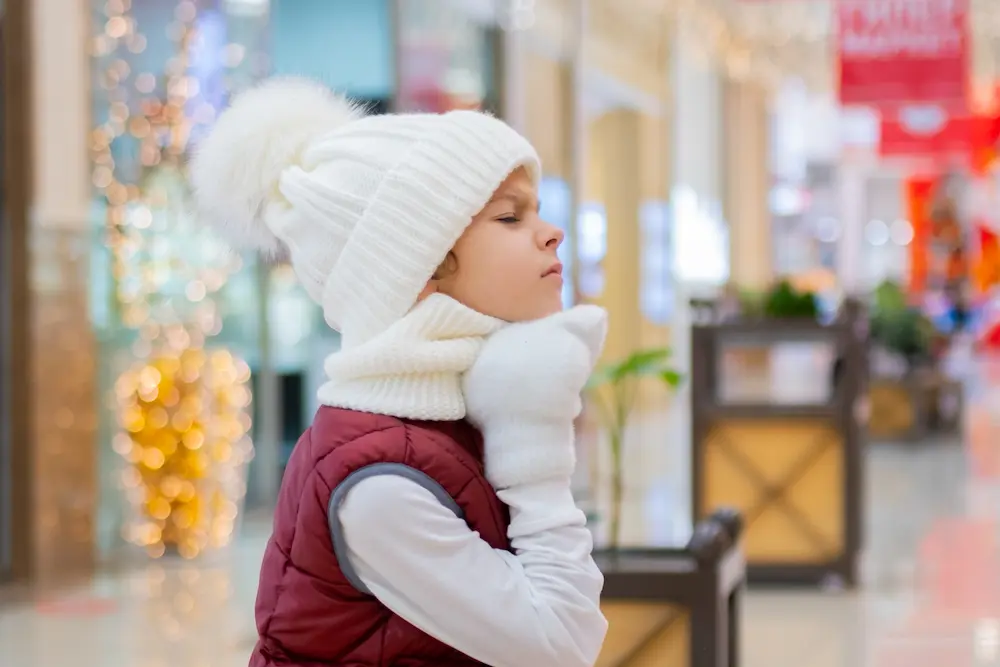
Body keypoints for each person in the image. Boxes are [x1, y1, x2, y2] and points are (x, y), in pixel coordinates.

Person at [190, 78, 609, 667]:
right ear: (419, 265)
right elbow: (561, 644)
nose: (551, 232)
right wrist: (533, 437)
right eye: (510, 217)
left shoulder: (448, 414)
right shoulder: (380, 484)